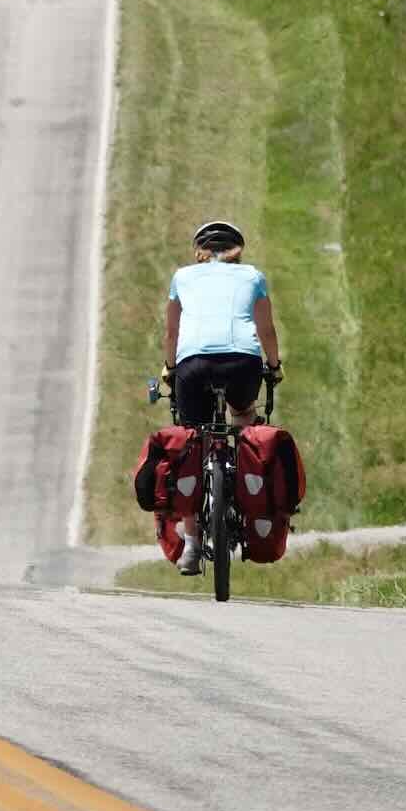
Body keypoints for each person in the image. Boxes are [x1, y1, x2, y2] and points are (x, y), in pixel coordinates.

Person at [163, 220, 281, 574]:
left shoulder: (182, 277)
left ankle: (192, 545)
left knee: (190, 442)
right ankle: (249, 501)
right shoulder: (253, 276)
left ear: (199, 252)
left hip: (193, 364)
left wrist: (170, 368)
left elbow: (172, 331)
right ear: (238, 252)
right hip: (241, 363)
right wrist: (274, 367)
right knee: (243, 417)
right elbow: (267, 330)